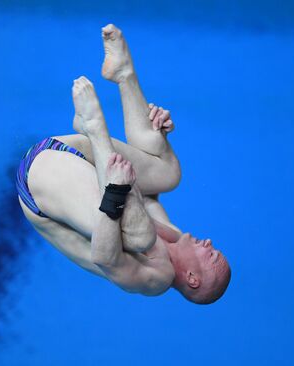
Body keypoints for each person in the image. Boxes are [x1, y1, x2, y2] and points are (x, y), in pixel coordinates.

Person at [16, 24, 231, 304]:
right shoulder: (174, 235)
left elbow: (105, 256)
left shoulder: (156, 279)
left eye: (211, 255)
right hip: (72, 152)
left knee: (139, 238)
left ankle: (95, 128)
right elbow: (146, 197)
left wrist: (117, 188)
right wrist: (159, 136)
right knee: (168, 175)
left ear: (192, 278)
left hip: (40, 180)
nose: (210, 244)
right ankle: (123, 73)